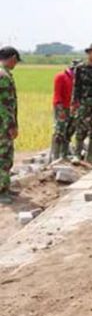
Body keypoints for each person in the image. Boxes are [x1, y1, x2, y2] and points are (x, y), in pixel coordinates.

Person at [0, 47, 20, 204]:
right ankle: (1, 191)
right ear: (12, 57)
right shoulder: (4, 76)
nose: (16, 64)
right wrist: (11, 126)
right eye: (16, 61)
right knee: (4, 157)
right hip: (3, 125)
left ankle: (5, 186)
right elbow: (6, 105)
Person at [51, 60, 79, 161]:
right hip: (62, 107)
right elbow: (57, 94)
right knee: (59, 130)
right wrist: (60, 109)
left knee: (70, 130)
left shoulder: (78, 80)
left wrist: (76, 107)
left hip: (73, 108)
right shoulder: (61, 77)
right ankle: (55, 156)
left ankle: (64, 154)